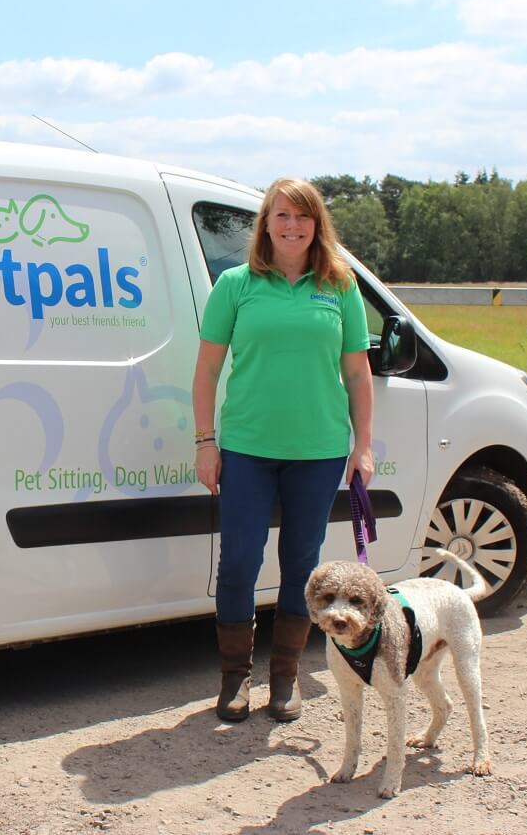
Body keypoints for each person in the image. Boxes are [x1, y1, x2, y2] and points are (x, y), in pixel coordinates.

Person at [192, 177, 373, 723]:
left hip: (317, 451)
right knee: (240, 561)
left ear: (317, 225)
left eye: (303, 217)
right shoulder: (236, 284)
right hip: (247, 448)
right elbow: (206, 370)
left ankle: (286, 676)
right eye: (281, 216)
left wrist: (361, 447)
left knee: (301, 565)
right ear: (265, 223)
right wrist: (206, 442)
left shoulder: (340, 286)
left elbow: (358, 373)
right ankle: (234, 679)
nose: (292, 226)